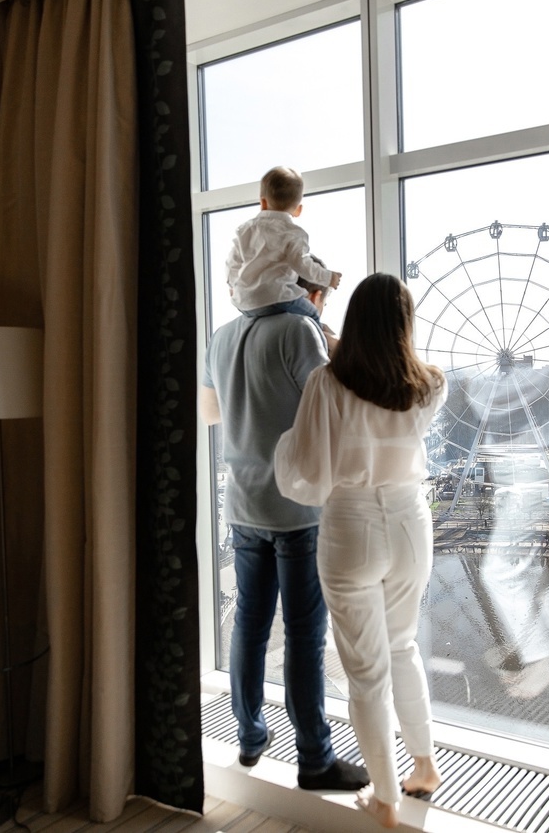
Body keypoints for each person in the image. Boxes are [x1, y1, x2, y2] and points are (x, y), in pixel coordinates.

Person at [274, 273, 446, 828]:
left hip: (351, 525)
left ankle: (386, 799)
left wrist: (282, 448)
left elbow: (306, 466)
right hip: (410, 522)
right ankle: (424, 766)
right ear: (405, 323)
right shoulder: (431, 385)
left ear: (353, 321)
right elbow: (392, 405)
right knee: (403, 647)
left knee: (366, 673)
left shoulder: (327, 383)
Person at [199, 278, 369, 793]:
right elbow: (332, 409)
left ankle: (250, 735)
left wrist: (254, 404)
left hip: (243, 505)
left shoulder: (222, 335)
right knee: (304, 635)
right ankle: (314, 758)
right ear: (308, 293)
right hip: (296, 510)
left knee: (249, 626)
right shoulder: (298, 330)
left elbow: (210, 412)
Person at [226, 166, 342, 332]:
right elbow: (303, 265)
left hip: (245, 302)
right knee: (313, 316)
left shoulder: (245, 229)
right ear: (298, 210)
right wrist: (328, 278)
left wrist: (234, 285)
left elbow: (232, 264)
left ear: (262, 203)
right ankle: (319, 342)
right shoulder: (293, 233)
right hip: (277, 298)